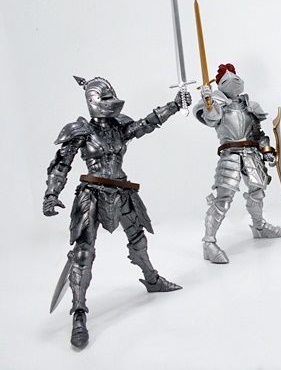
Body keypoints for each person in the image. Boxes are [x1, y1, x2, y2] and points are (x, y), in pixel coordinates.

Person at [43, 76, 190, 348]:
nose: (112, 103)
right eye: (106, 99)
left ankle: (152, 280)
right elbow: (61, 165)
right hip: (91, 194)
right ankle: (79, 313)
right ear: (93, 101)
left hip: (122, 191)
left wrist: (173, 105)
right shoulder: (81, 130)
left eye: (112, 97)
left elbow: (145, 125)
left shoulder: (119, 127)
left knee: (138, 240)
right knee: (83, 253)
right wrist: (51, 194)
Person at [194, 64, 281, 264]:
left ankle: (259, 227)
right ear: (220, 85)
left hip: (251, 154)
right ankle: (208, 242)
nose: (232, 81)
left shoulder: (250, 106)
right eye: (226, 79)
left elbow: (258, 134)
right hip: (230, 154)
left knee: (258, 191)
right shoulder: (217, 105)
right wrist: (208, 100)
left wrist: (267, 151)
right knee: (223, 198)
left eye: (235, 78)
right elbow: (212, 119)